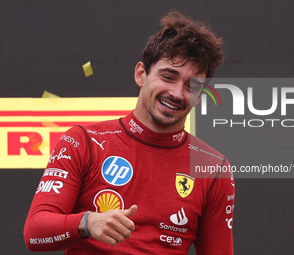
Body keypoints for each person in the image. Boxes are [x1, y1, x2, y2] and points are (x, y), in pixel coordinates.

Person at [24, 11, 235, 255]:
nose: (177, 93)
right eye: (168, 77)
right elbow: (35, 233)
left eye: (191, 86)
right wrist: (87, 223)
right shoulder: (83, 140)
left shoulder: (213, 167)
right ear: (141, 74)